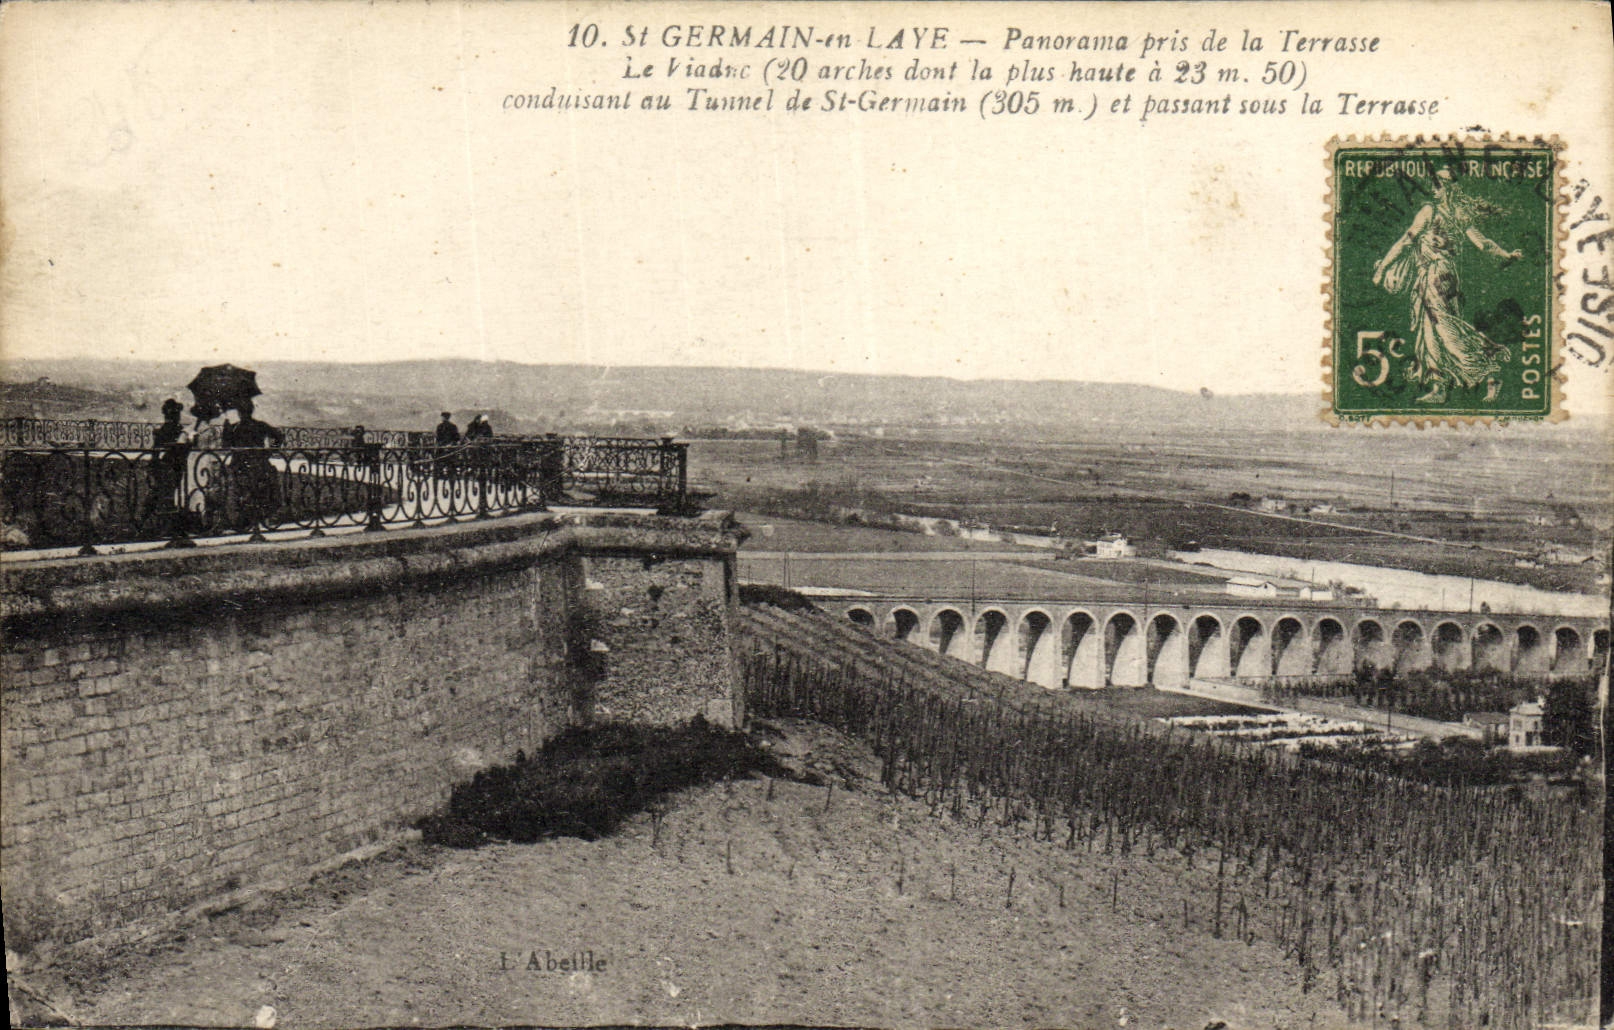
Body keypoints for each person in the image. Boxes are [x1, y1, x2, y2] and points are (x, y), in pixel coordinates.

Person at [1372, 168, 1522, 404]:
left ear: (1444, 188)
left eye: (1437, 184)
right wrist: (1507, 255)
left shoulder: (1429, 211)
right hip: (1446, 276)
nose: (1433, 188)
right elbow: (1484, 244)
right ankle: (1440, 387)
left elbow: (1404, 242)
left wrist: (1382, 270)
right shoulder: (1459, 213)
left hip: (1434, 274)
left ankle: (1489, 372)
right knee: (1432, 329)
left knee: (1443, 329)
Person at [222, 399, 284, 531]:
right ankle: (258, 519)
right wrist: (272, 450)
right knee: (258, 492)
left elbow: (225, 445)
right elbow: (279, 435)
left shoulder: (235, 428)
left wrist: (226, 426)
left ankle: (243, 521)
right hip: (260, 464)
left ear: (239, 413)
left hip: (240, 466)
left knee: (241, 492)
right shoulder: (260, 425)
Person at [137, 399, 192, 530]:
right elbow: (182, 450)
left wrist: (154, 464)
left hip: (162, 466)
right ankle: (168, 526)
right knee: (167, 495)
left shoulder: (162, 430)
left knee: (158, 493)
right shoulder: (179, 430)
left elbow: (156, 451)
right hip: (174, 466)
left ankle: (143, 521)